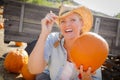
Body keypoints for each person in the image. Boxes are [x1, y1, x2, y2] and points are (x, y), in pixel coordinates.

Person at [28, 4, 102, 80]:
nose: (67, 24)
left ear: (82, 23)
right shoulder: (53, 38)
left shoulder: (92, 48)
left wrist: (87, 78)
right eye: (63, 21)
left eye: (72, 20)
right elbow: (33, 69)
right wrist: (44, 33)